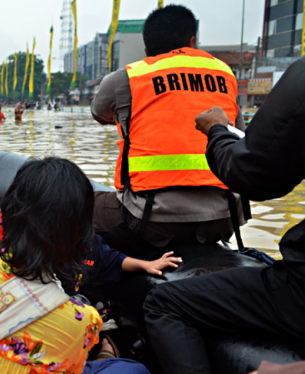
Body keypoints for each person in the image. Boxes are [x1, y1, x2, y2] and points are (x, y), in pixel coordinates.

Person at [0, 157, 150, 374]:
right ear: (80, 235)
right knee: (131, 369)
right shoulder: (82, 320)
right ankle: (108, 355)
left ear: (7, 212)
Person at [144, 54, 305, 374]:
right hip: (222, 219)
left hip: (299, 294)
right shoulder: (224, 75)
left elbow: (254, 173)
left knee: (163, 304)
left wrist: (217, 130)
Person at [91, 5, 246, 252]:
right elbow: (237, 133)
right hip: (225, 218)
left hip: (150, 220)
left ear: (146, 49)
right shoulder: (225, 74)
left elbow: (99, 113)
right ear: (192, 40)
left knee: (85, 205)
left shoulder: (127, 78)